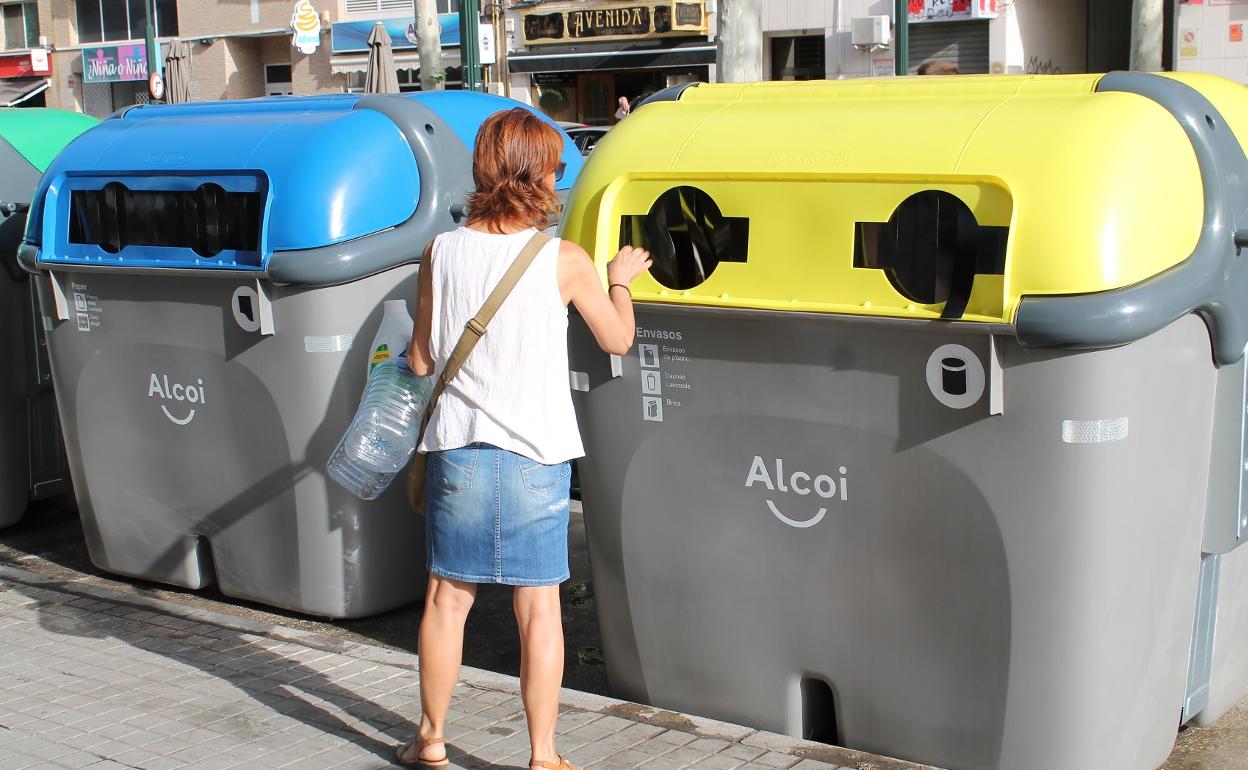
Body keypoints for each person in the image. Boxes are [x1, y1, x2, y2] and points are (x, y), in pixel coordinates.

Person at [396, 107, 651, 770]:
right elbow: (617, 339)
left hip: (459, 451)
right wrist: (621, 279)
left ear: (485, 167)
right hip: (536, 457)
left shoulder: (441, 251)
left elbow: (422, 360)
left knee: (447, 600)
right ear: (540, 174)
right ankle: (543, 756)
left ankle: (429, 739)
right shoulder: (561, 259)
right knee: (538, 610)